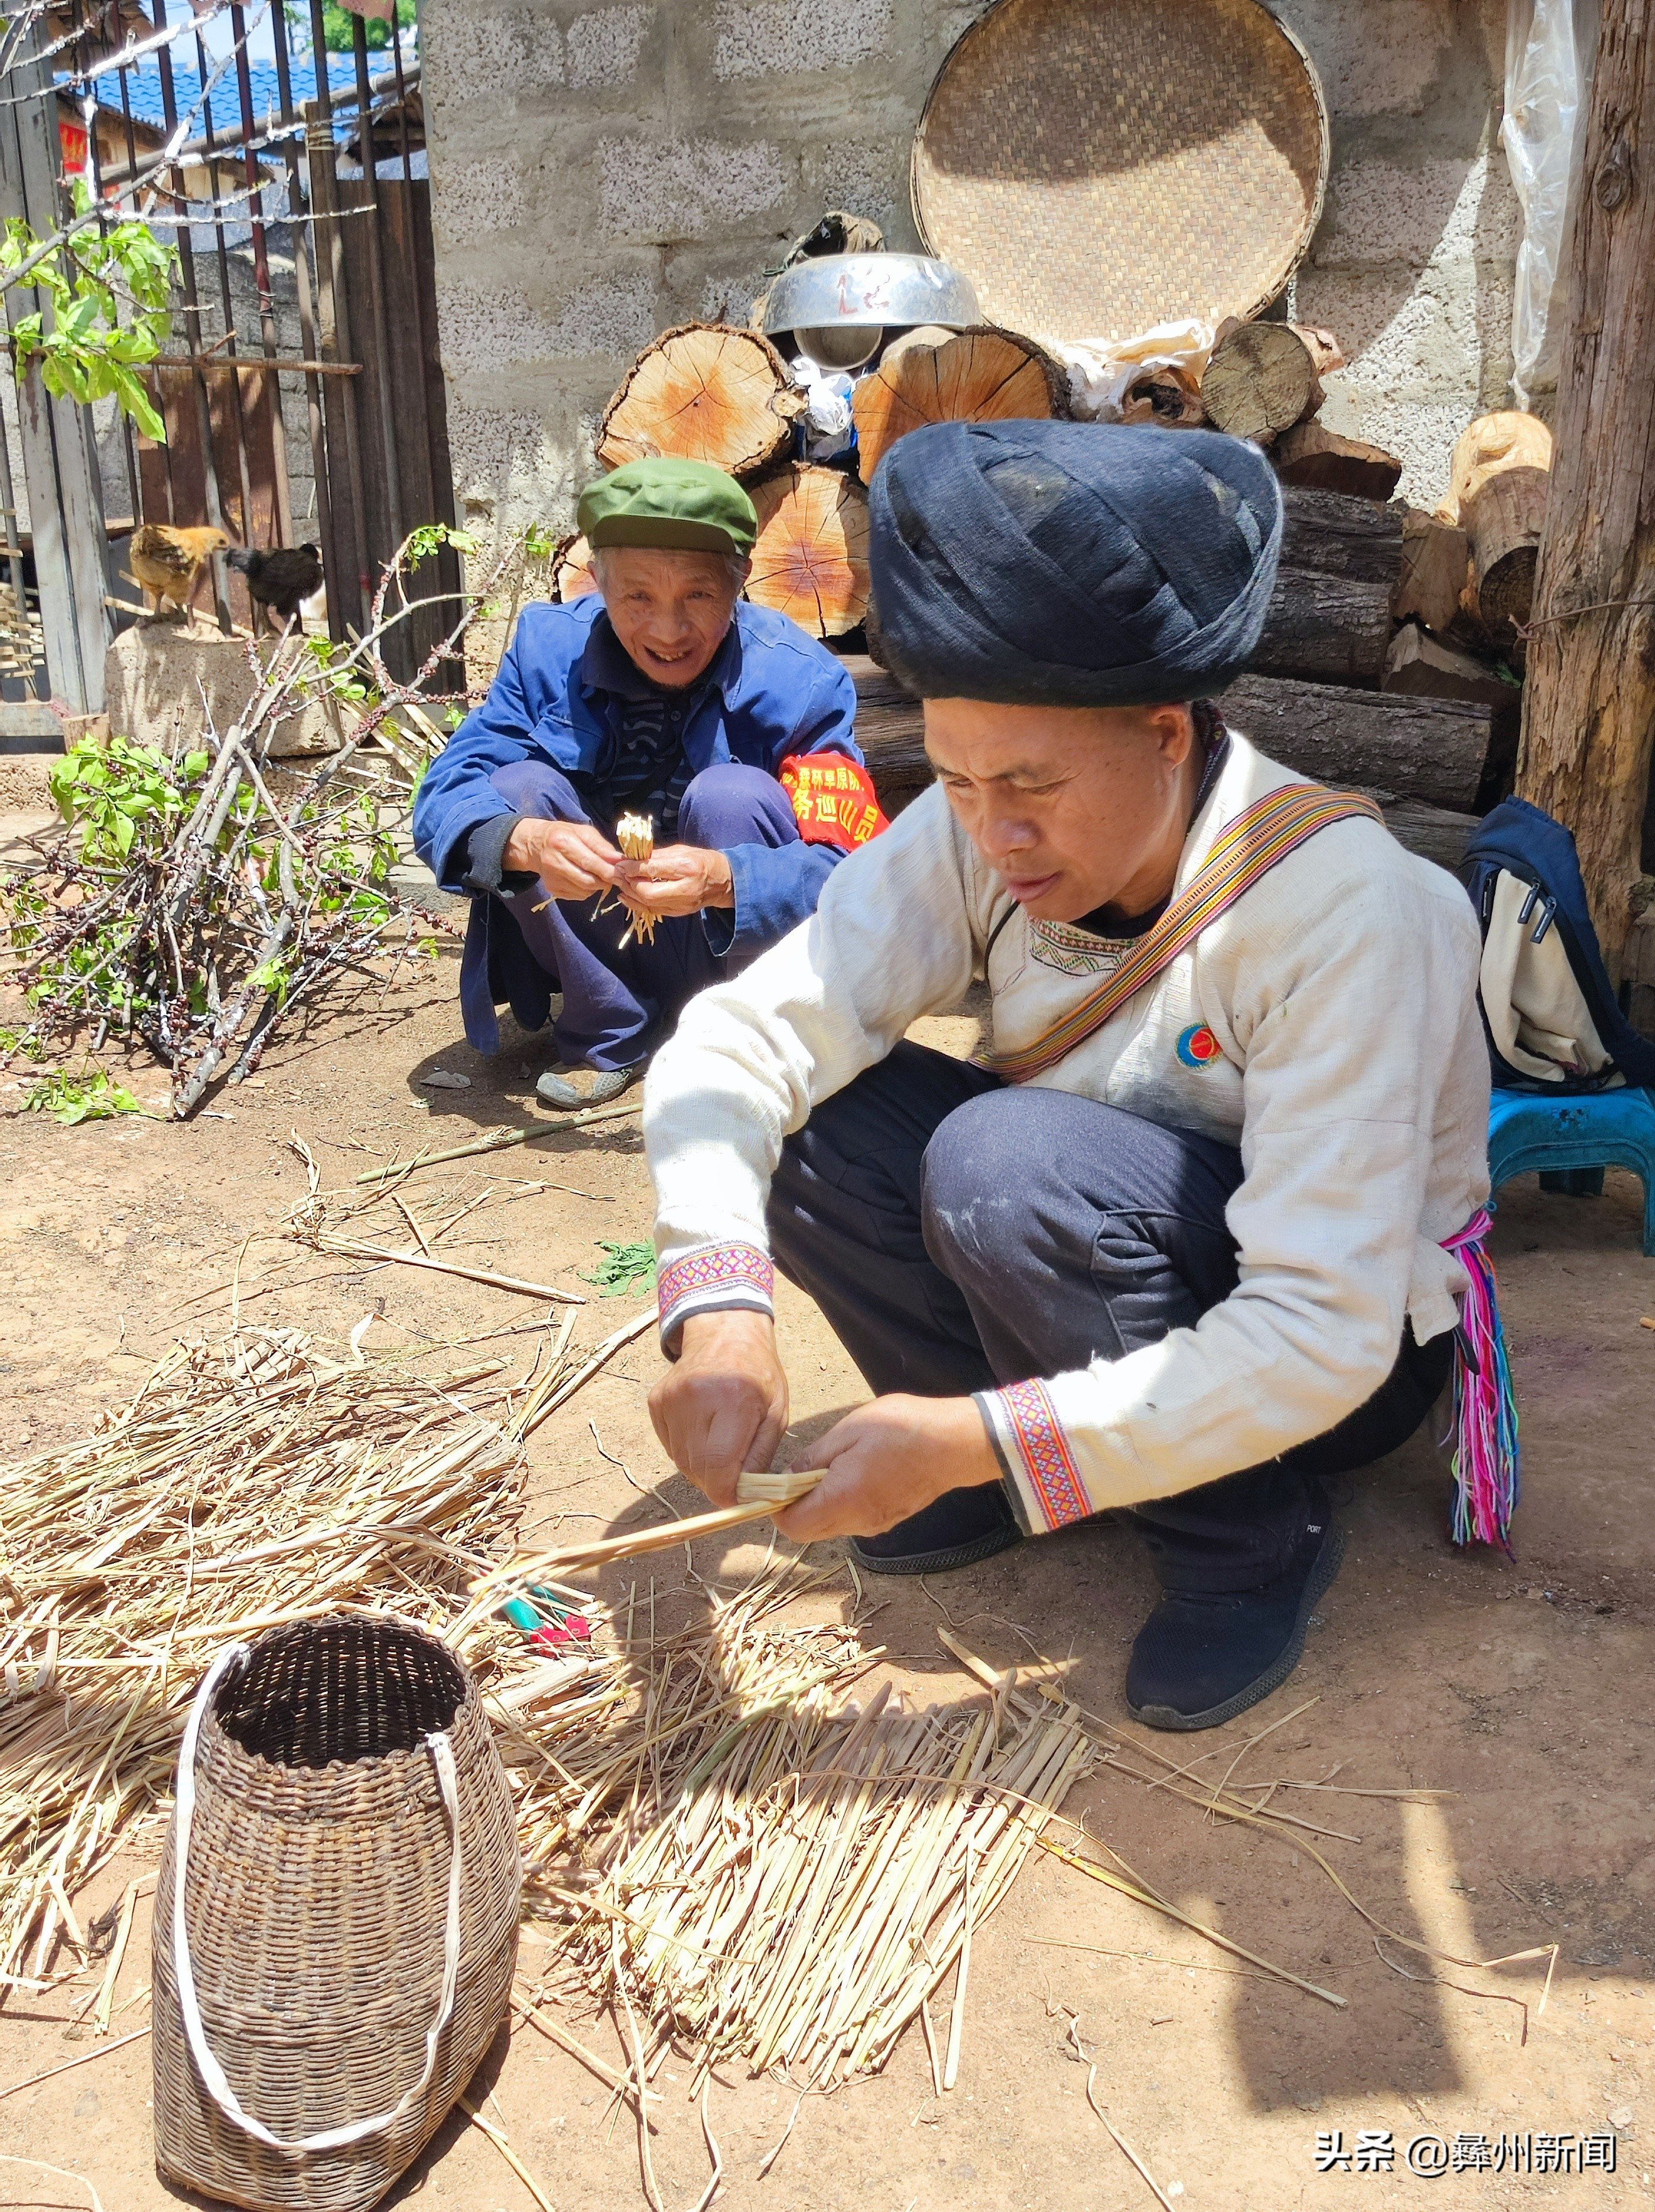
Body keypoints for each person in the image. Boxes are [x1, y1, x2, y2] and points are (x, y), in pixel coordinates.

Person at [642, 419, 1503, 1734]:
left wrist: (984, 1428)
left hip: (1339, 1356)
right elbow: (738, 1039)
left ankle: (1244, 1536)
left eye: (1030, 783)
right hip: (1083, 1236)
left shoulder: (1345, 912)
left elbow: (1322, 1328)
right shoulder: (973, 825)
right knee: (813, 1119)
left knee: (1003, 1168)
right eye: (959, 778)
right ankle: (992, 1483)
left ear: (1166, 735)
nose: (995, 830)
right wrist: (715, 1296)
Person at [413, 457, 882, 1107]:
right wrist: (521, 840)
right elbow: (443, 796)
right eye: (637, 596)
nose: (667, 631)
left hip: (731, 941)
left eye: (697, 595)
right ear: (598, 582)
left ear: (740, 581)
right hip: (593, 933)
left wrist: (728, 878)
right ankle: (607, 1028)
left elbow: (855, 868)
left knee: (731, 795)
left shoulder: (800, 682)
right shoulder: (545, 652)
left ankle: (747, 1042)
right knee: (518, 790)